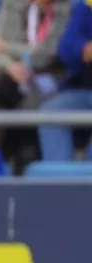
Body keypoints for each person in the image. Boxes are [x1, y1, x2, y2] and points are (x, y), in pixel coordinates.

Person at [39, 0, 92, 161]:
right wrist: (82, 49)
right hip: (84, 89)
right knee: (52, 110)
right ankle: (60, 179)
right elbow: (66, 47)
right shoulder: (86, 6)